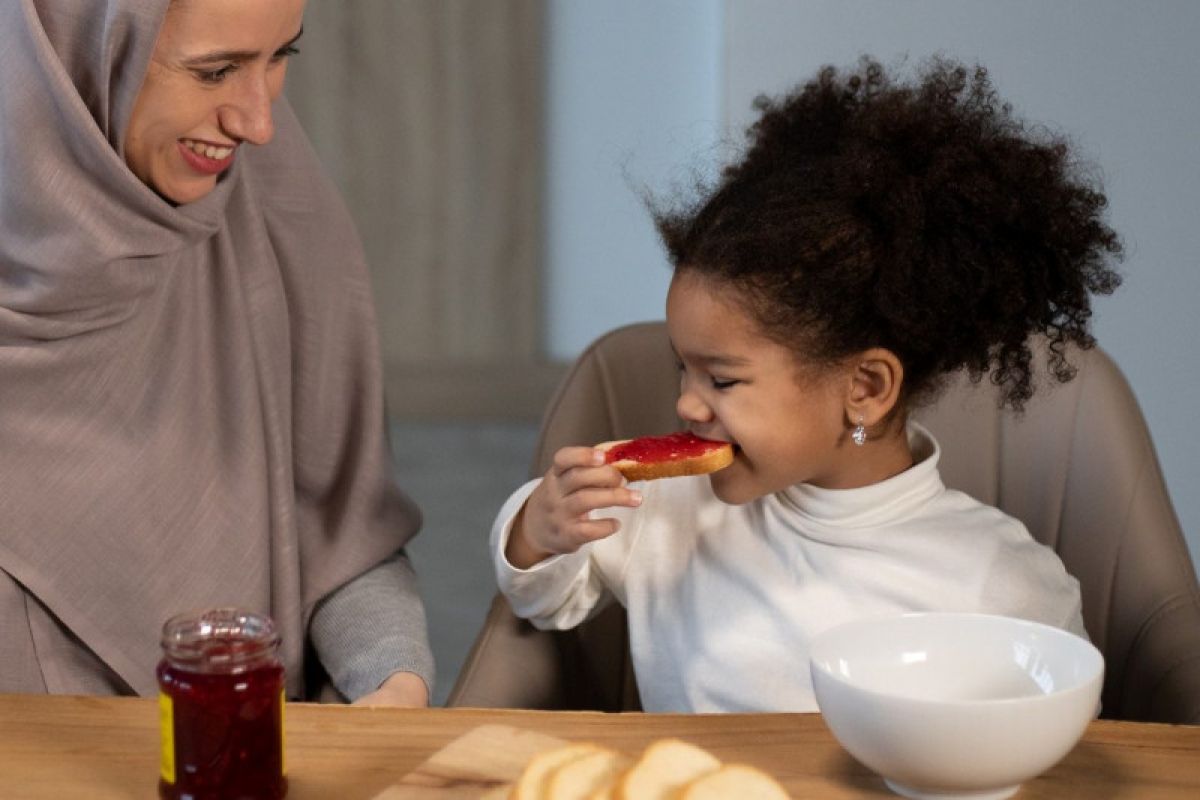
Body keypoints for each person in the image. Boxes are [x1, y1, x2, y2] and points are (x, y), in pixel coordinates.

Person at [491, 57, 1123, 712]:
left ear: (867, 388)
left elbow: (1056, 743)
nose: (685, 401)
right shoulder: (664, 512)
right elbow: (543, 601)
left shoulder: (1003, 580)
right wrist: (538, 530)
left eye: (723, 379)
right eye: (684, 367)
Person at [0, 0, 433, 706]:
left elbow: (343, 539)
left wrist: (394, 682)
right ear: (73, 53)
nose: (258, 125)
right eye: (214, 71)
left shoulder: (277, 217)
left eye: (279, 58)